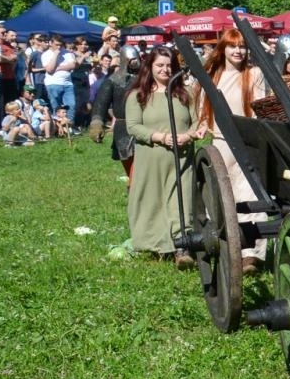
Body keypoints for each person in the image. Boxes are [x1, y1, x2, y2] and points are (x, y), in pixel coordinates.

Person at [125, 46, 207, 260]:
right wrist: (160, 137)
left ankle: (182, 247)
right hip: (151, 157)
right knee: (152, 200)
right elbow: (133, 126)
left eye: (169, 65)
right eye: (159, 65)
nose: (165, 70)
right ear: (149, 67)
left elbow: (197, 122)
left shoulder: (185, 94)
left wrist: (188, 136)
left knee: (181, 200)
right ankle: (157, 244)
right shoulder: (138, 96)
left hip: (181, 158)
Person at [199, 29, 272, 270]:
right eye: (233, 46)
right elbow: (203, 108)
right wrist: (201, 127)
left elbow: (259, 108)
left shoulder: (254, 74)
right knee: (223, 196)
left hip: (246, 142)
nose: (238, 51)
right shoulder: (213, 76)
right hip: (220, 143)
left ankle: (251, 254)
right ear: (223, 49)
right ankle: (225, 247)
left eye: (242, 46)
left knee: (250, 194)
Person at [90, 45, 142, 176]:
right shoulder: (113, 81)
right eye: (132, 60)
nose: (135, 62)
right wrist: (96, 123)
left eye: (136, 59)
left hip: (145, 125)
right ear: (125, 60)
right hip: (124, 129)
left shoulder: (145, 78)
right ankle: (134, 191)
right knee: (133, 171)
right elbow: (100, 103)